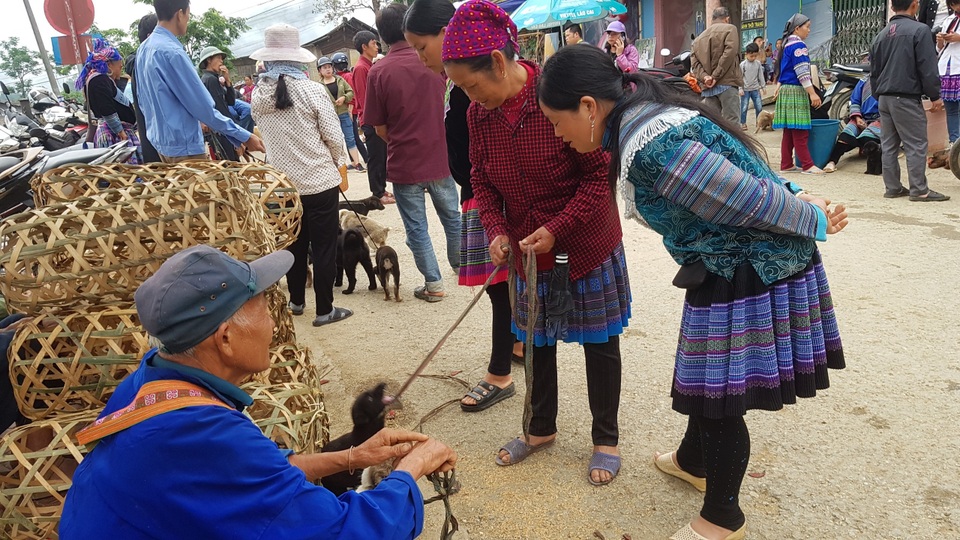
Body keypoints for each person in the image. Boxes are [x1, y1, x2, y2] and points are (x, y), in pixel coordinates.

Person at [538, 43, 848, 540]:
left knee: (716, 397)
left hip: (745, 268)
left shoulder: (650, 143)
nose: (557, 134)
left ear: (589, 107)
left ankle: (722, 518)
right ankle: (691, 460)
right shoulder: (649, 113)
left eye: (557, 121)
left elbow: (742, 197)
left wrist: (810, 216)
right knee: (704, 380)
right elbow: (741, 170)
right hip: (728, 263)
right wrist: (797, 198)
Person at [60, 245, 457, 538]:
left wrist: (355, 456)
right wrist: (410, 470)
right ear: (226, 339)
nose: (274, 325)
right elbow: (342, 532)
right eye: (266, 311)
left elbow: (261, 474)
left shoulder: (151, 381)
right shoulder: (204, 433)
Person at [442, 0, 630, 486]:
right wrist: (495, 230)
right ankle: (539, 428)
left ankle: (605, 438)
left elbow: (597, 177)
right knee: (536, 341)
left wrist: (558, 227)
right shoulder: (477, 115)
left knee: (598, 341)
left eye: (470, 83)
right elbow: (480, 179)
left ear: (499, 63)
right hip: (528, 250)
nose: (468, 95)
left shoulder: (556, 94)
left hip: (581, 245)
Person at [404, 0, 523, 411]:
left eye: (423, 46)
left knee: (498, 288)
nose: (421, 58)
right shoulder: (460, 90)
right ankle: (518, 343)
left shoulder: (482, 91)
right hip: (477, 192)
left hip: (490, 195)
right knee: (504, 285)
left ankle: (499, 372)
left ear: (447, 32)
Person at [250, 25, 354, 327]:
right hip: (319, 181)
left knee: (292, 244)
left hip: (281, 186)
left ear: (268, 59)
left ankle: (296, 300)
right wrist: (341, 162)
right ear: (297, 58)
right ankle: (325, 310)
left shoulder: (259, 94)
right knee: (322, 246)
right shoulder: (312, 90)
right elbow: (333, 136)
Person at [366, 3, 462, 302]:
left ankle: (433, 285)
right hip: (441, 156)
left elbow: (379, 129)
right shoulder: (436, 61)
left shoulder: (378, 71)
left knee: (416, 227)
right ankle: (462, 267)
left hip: (405, 162)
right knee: (452, 217)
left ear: (381, 36)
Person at [136, 0, 264, 163]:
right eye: (188, 15)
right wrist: (243, 136)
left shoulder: (143, 50)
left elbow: (142, 101)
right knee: (199, 188)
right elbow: (204, 109)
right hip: (184, 149)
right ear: (180, 14)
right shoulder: (173, 53)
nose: (188, 20)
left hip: (161, 144)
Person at [872, 0, 950, 201]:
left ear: (892, 7)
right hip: (905, 96)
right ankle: (919, 190)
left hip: (884, 97)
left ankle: (893, 188)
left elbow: (874, 72)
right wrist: (935, 95)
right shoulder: (920, 30)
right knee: (916, 144)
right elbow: (927, 66)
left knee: (889, 145)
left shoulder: (880, 35)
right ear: (915, 4)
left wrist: (878, 96)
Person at [75, 39, 141, 164]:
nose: (120, 70)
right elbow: (106, 108)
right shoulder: (99, 80)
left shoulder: (101, 79)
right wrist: (120, 131)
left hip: (117, 134)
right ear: (109, 64)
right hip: (114, 137)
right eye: (119, 66)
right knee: (124, 176)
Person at [774, 14, 824, 174]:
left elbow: (784, 69)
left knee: (789, 130)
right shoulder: (799, 46)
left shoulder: (787, 45)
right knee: (801, 130)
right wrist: (812, 93)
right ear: (797, 28)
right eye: (807, 26)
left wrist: (779, 85)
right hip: (796, 90)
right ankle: (808, 165)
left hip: (786, 90)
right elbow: (802, 72)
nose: (809, 30)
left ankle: (786, 164)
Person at [353, 30, 394, 204]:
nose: (377, 47)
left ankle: (381, 189)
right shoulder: (361, 68)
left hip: (376, 117)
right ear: (364, 47)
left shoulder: (369, 65)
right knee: (376, 157)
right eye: (373, 44)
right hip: (371, 119)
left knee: (381, 155)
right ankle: (377, 193)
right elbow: (364, 98)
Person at [690, 7, 743, 124]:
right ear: (727, 19)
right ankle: (732, 143)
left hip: (708, 88)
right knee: (732, 122)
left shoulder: (699, 38)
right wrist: (715, 76)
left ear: (712, 19)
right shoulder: (730, 29)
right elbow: (730, 53)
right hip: (727, 83)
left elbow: (694, 63)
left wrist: (705, 77)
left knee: (712, 123)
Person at [124, 13, 161, 163]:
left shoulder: (139, 62)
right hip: (164, 142)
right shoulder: (148, 62)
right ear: (151, 35)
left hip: (152, 140)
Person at [824, 77, 881, 173]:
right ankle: (832, 162)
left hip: (881, 118)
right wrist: (858, 118)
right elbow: (855, 101)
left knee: (867, 137)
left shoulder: (889, 80)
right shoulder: (864, 81)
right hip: (862, 117)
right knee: (846, 134)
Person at [318, 56, 364, 171]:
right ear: (320, 71)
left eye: (329, 67)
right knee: (334, 141)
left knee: (350, 138)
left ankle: (357, 163)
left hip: (343, 113)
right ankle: (338, 165)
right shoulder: (319, 86)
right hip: (329, 117)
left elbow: (350, 92)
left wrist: (344, 98)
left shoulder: (340, 80)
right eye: (324, 68)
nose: (328, 69)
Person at [198, 46, 240, 161]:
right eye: (218, 58)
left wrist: (227, 81)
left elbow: (231, 102)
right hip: (221, 131)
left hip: (221, 130)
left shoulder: (213, 79)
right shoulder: (210, 80)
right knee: (231, 166)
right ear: (209, 60)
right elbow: (221, 109)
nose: (222, 61)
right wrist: (235, 130)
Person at [334, 51, 369, 166]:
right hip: (347, 110)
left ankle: (366, 158)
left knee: (353, 138)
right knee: (350, 138)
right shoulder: (339, 78)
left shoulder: (346, 77)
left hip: (350, 111)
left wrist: (350, 109)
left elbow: (352, 94)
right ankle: (354, 161)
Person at [937, 0, 960, 143]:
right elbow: (939, 49)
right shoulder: (949, 20)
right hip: (947, 69)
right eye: (952, 5)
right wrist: (940, 40)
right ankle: (954, 143)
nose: (956, 7)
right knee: (951, 110)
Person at [739, 42, 765, 131]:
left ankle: (759, 122)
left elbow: (760, 76)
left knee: (759, 107)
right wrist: (740, 88)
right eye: (751, 56)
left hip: (755, 89)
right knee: (744, 107)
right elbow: (739, 77)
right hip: (745, 90)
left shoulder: (758, 64)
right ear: (746, 54)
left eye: (755, 56)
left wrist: (763, 87)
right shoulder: (743, 65)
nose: (753, 58)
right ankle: (743, 123)